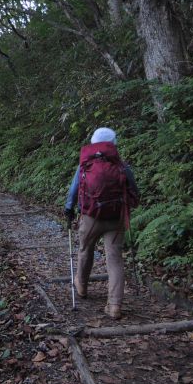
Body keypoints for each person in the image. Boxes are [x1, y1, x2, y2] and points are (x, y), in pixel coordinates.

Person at [64, 127, 139, 319]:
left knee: (85, 250)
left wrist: (69, 209)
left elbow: (74, 190)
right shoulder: (122, 166)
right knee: (115, 259)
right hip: (116, 218)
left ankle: (81, 286)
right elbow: (134, 192)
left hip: (91, 217)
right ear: (113, 144)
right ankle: (114, 306)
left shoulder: (85, 166)